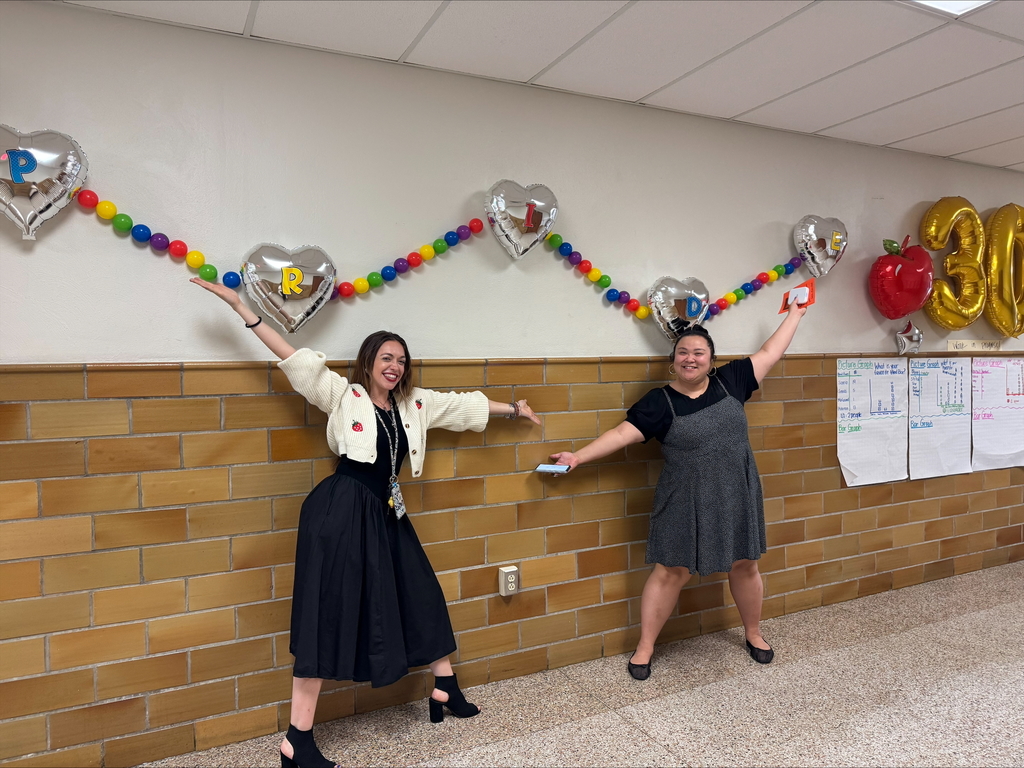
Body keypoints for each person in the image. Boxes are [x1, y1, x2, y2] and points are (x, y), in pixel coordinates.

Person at [191, 278, 541, 768]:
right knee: (324, 613)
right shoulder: (343, 394)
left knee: (420, 590)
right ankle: (298, 738)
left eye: (401, 360)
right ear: (368, 362)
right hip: (340, 510)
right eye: (386, 359)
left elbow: (464, 406)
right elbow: (294, 360)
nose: (395, 367)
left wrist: (514, 410)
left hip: (385, 511)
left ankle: (444, 688)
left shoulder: (414, 404)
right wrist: (241, 308)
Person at [550, 301, 808, 679]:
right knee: (670, 571)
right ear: (673, 360)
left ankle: (753, 632)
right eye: (683, 352)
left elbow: (771, 351)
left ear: (711, 359)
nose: (690, 358)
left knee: (745, 564)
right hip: (683, 497)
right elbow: (622, 434)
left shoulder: (732, 380)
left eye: (698, 352)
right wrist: (579, 456)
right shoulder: (660, 401)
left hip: (737, 491)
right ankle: (645, 646)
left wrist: (797, 313)